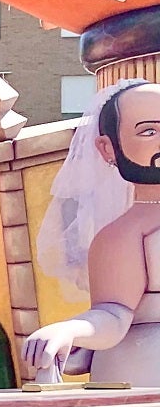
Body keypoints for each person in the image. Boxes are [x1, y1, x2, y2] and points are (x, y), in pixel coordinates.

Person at [26, 82, 160, 383]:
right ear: (108, 148)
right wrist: (70, 330)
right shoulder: (123, 236)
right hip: (145, 378)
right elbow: (113, 314)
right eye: (149, 131)